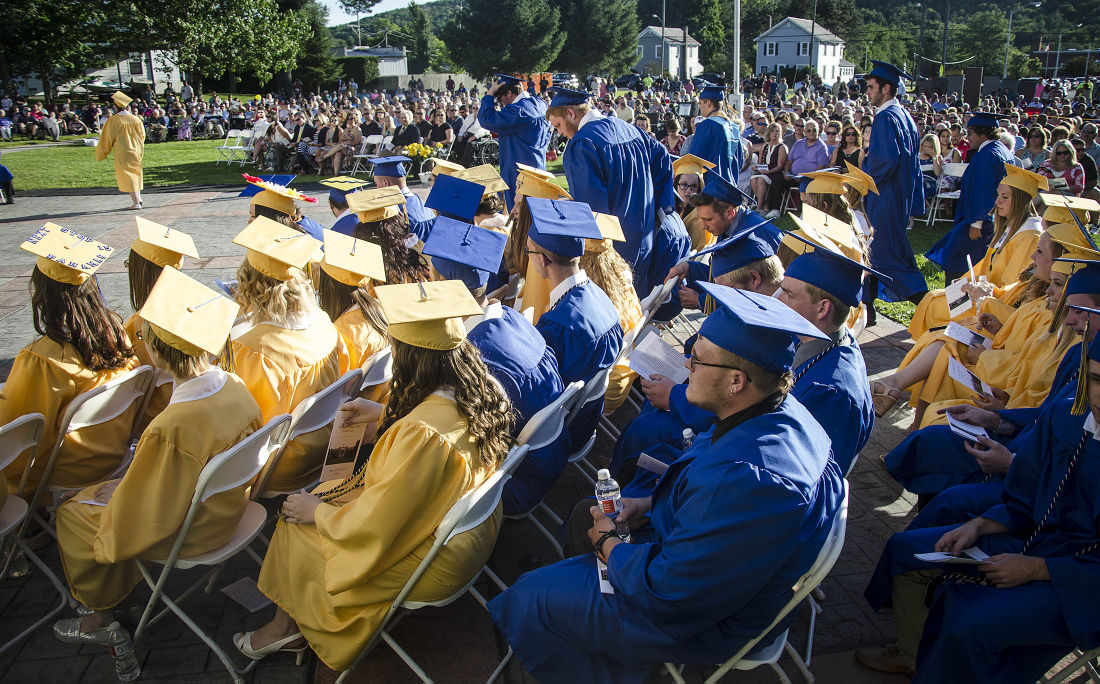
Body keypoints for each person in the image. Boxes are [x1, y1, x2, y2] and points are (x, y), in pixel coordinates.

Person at [487, 283, 844, 683]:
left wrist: (610, 546)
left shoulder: (751, 479)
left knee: (531, 597)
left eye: (697, 359)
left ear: (736, 381)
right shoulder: (780, 411)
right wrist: (648, 506)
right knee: (581, 514)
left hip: (702, 619)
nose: (686, 366)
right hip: (710, 570)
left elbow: (667, 593)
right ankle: (586, 616)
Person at [233, 280, 512, 671]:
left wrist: (319, 513)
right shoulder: (481, 389)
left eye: (397, 349)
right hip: (468, 535)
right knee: (328, 491)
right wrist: (384, 418)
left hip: (434, 561)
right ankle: (291, 623)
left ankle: (284, 629)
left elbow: (377, 524)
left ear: (413, 357)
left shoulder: (421, 436)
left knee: (293, 522)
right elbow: (435, 452)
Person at [859, 332, 1100, 681]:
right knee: (908, 550)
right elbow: (1026, 494)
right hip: (1033, 540)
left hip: (1081, 584)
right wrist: (980, 526)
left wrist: (1036, 569)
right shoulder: (1068, 417)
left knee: (971, 622)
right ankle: (914, 656)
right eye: (1094, 379)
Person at [51, 268, 262, 643]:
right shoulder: (235, 384)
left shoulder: (172, 426)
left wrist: (115, 494)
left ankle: (101, 616)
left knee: (73, 512)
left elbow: (147, 508)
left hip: (195, 532)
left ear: (158, 350)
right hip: (232, 509)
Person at [422, 216, 565, 516]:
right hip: (553, 454)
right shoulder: (512, 318)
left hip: (517, 482)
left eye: (431, 280)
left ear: (443, 287)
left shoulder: (474, 359)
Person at [1, 225, 140, 493]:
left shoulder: (42, 359)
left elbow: (17, 436)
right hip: (111, 458)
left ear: (42, 292)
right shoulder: (117, 334)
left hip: (62, 473)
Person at [230, 217, 350, 492]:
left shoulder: (252, 351)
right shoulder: (323, 322)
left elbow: (241, 426)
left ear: (249, 285)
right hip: (319, 455)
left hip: (275, 469)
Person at [545, 87, 673, 292]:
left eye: (558, 125)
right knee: (635, 303)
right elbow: (663, 158)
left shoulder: (583, 144)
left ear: (571, 113)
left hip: (613, 247)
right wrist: (658, 208)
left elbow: (592, 210)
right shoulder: (629, 128)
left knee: (615, 308)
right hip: (644, 236)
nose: (559, 132)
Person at [525, 197, 623, 450]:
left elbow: (541, 395)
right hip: (587, 419)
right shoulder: (599, 295)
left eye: (529, 252)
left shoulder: (560, 326)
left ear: (542, 260)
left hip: (562, 432)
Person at [777, 235, 880, 475]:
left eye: (788, 295)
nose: (779, 301)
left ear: (823, 308)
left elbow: (803, 471)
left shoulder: (830, 391)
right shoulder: (832, 340)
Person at [861, 61, 928, 316]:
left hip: (884, 196)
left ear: (886, 88)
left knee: (889, 255)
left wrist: (862, 175)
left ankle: (929, 306)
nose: (867, 92)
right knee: (872, 251)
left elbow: (885, 160)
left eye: (870, 87)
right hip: (897, 196)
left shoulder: (885, 118)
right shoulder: (905, 117)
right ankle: (867, 307)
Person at [123, 218, 200, 432]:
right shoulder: (197, 306)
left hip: (159, 414)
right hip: (198, 401)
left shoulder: (140, 323)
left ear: (139, 271)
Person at [926, 113, 1015, 283]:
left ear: (983, 133)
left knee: (959, 261)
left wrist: (978, 222)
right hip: (994, 218)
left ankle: (957, 300)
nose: (968, 137)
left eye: (971, 132)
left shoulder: (986, 156)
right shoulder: (1001, 150)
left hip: (980, 222)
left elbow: (984, 190)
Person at [478, 75, 552, 209]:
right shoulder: (540, 103)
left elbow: (486, 118)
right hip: (538, 165)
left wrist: (489, 95)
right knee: (537, 211)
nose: (501, 104)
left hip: (518, 169)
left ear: (509, 93)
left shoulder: (517, 111)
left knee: (518, 213)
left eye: (500, 98)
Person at [95, 91, 146, 210]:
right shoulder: (136, 119)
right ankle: (138, 198)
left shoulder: (114, 120)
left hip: (123, 150)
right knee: (136, 173)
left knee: (128, 175)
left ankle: (136, 202)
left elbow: (107, 137)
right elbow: (142, 135)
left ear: (116, 106)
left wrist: (102, 152)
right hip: (136, 150)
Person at [687, 84, 743, 183]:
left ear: (708, 103)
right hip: (730, 186)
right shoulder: (733, 127)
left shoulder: (707, 125)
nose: (699, 107)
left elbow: (695, 158)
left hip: (711, 187)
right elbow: (740, 161)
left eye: (700, 103)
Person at [366, 156, 435, 233]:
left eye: (377, 183)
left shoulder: (393, 212)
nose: (377, 188)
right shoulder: (422, 203)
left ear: (386, 182)